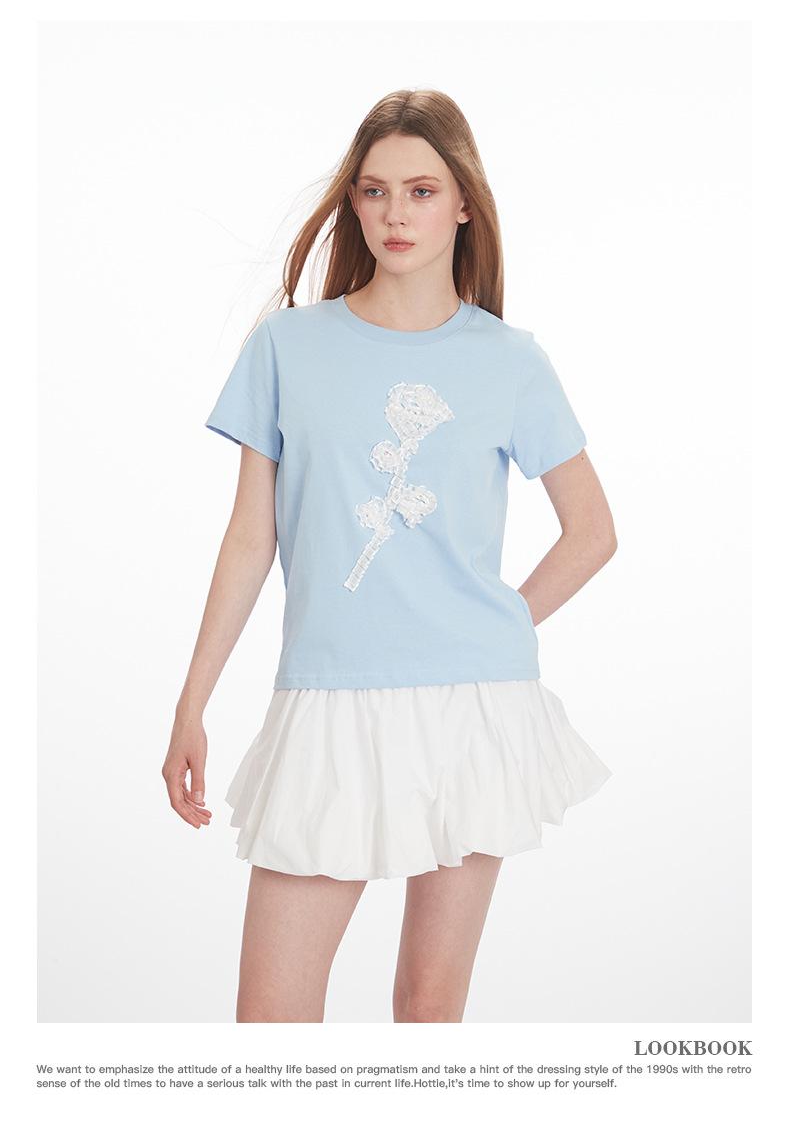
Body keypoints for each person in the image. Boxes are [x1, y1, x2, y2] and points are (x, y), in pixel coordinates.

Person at [162, 88, 616, 1024]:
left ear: (463, 203)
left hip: (473, 708)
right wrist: (192, 700)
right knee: (272, 1021)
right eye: (374, 191)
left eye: (421, 190)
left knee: (428, 1007)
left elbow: (593, 530)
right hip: (327, 703)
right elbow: (250, 536)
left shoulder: (510, 360)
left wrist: (495, 622)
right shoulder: (287, 345)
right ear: (354, 203)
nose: (395, 213)